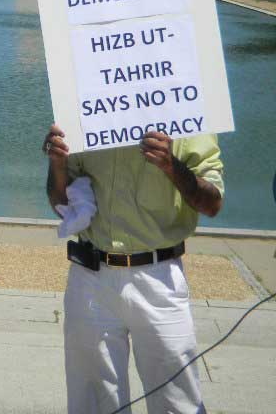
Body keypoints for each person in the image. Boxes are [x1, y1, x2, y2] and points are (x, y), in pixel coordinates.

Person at [43, 124, 224, 414]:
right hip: (90, 275)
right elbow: (59, 202)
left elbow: (212, 203)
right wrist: (58, 163)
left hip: (159, 276)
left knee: (178, 403)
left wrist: (171, 165)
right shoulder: (83, 107)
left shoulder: (184, 114)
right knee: (92, 404)